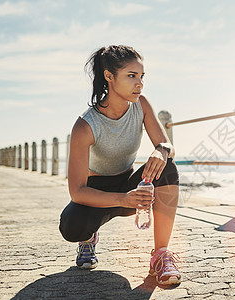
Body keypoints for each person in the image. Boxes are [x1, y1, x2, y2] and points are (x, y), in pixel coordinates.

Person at [59, 45, 181, 286]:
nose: (140, 84)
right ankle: (88, 240)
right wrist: (124, 200)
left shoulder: (141, 105)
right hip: (95, 194)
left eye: (141, 76)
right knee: (72, 227)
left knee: (168, 167)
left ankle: (160, 255)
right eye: (131, 76)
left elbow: (167, 145)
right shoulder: (85, 125)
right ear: (109, 76)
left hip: (128, 183)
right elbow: (77, 191)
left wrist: (161, 150)